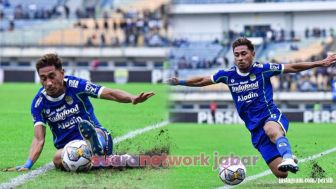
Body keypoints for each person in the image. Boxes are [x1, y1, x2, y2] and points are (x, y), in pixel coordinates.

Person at [168, 38, 336, 178]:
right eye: (236, 55)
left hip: (271, 117)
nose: (240, 58)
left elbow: (293, 67)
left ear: (252, 54)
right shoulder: (227, 75)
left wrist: (319, 63)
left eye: (243, 54)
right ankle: (288, 156)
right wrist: (180, 82)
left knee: (271, 129)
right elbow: (202, 80)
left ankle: (287, 156)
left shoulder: (263, 69)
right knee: (281, 174)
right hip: (255, 129)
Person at [10, 53, 154, 171]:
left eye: (52, 76)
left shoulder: (77, 85)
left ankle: (95, 147)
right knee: (57, 158)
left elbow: (109, 93)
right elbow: (38, 139)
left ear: (62, 73)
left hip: (99, 136)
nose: (48, 82)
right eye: (43, 78)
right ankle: (105, 160)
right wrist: (27, 164)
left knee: (96, 135)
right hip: (70, 149)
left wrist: (131, 98)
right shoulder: (38, 104)